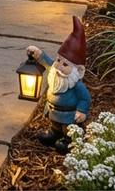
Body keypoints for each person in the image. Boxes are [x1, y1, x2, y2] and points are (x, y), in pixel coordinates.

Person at [25, 16, 90, 153]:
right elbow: (48, 62)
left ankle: (69, 140)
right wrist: (38, 54)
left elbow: (85, 98)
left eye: (65, 64)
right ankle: (55, 133)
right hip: (54, 111)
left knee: (68, 128)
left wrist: (82, 111)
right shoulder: (54, 69)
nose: (59, 66)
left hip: (69, 115)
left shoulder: (76, 85)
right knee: (55, 124)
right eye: (59, 60)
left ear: (78, 70)